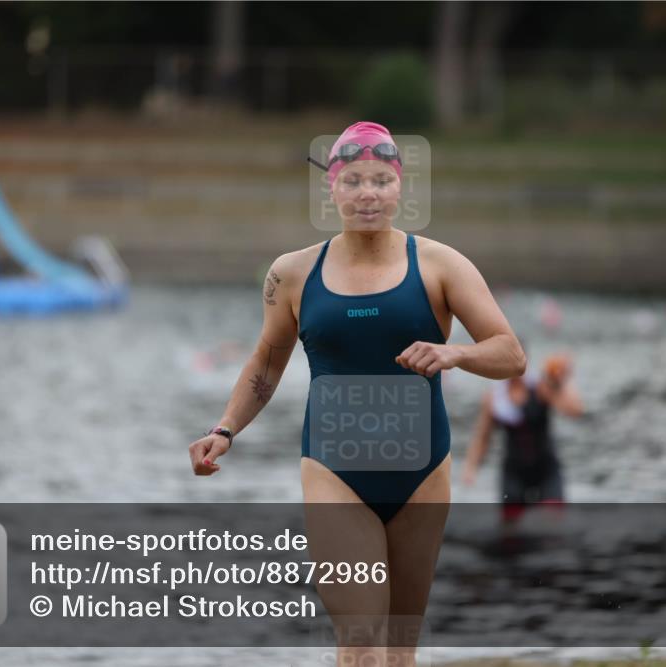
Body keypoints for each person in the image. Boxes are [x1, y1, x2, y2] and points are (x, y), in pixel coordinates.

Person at [187, 121, 525, 665]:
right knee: (362, 642)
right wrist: (225, 429)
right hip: (334, 472)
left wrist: (455, 354)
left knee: (399, 651)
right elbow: (268, 360)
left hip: (422, 473)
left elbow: (511, 354)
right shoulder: (292, 273)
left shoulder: (441, 264)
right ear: (333, 190)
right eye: (353, 181)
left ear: (400, 188)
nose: (368, 193)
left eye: (380, 181)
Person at [463, 350, 583, 524]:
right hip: (514, 470)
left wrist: (564, 381)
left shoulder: (541, 387)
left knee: (553, 522)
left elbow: (575, 410)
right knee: (511, 527)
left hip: (545, 468)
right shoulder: (495, 397)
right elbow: (483, 436)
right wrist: (471, 467)